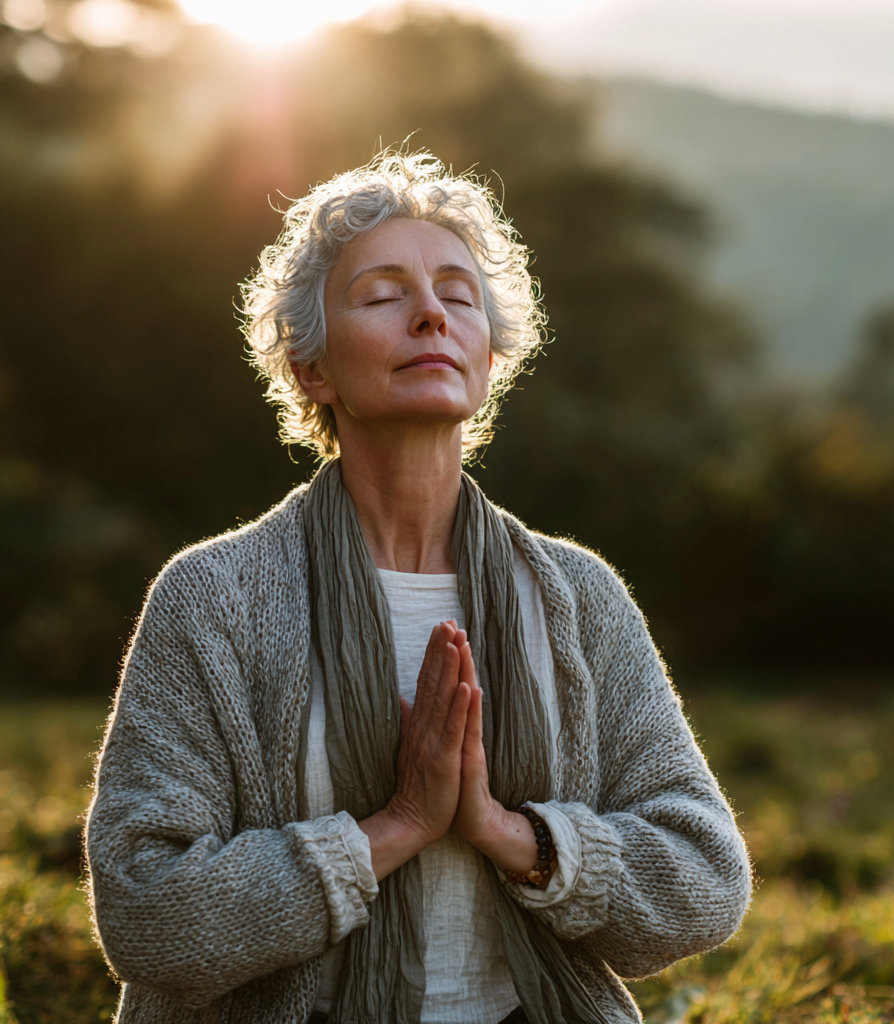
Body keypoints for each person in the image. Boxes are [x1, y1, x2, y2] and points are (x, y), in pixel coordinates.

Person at [86, 151, 751, 1024]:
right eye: (383, 294)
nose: (431, 312)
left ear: (487, 357)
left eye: (458, 293)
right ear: (311, 367)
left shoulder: (578, 598)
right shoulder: (214, 598)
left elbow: (705, 876)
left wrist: (513, 836)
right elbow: (146, 910)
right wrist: (393, 828)